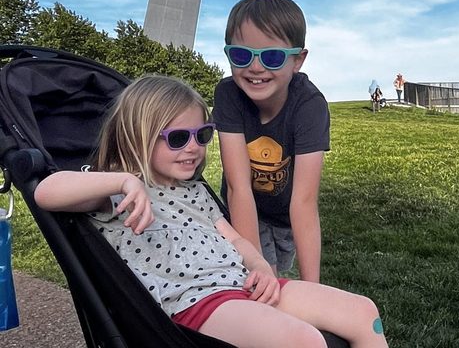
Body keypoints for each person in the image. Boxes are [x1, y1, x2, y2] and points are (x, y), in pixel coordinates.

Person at [34, 75, 388, 348]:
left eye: (201, 135)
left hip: (244, 285)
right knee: (305, 341)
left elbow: (237, 240)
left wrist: (261, 265)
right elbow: (46, 192)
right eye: (176, 138)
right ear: (136, 137)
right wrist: (124, 182)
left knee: (363, 312)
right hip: (194, 305)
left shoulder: (196, 192)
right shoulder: (113, 191)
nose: (193, 148)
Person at [213, 0, 329, 284]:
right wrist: (257, 267)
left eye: (272, 56)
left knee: (289, 282)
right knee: (264, 285)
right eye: (241, 55)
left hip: (287, 215)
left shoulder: (309, 105)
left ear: (297, 60)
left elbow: (303, 201)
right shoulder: (228, 95)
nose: (255, 67)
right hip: (245, 207)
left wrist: (312, 289)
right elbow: (238, 188)